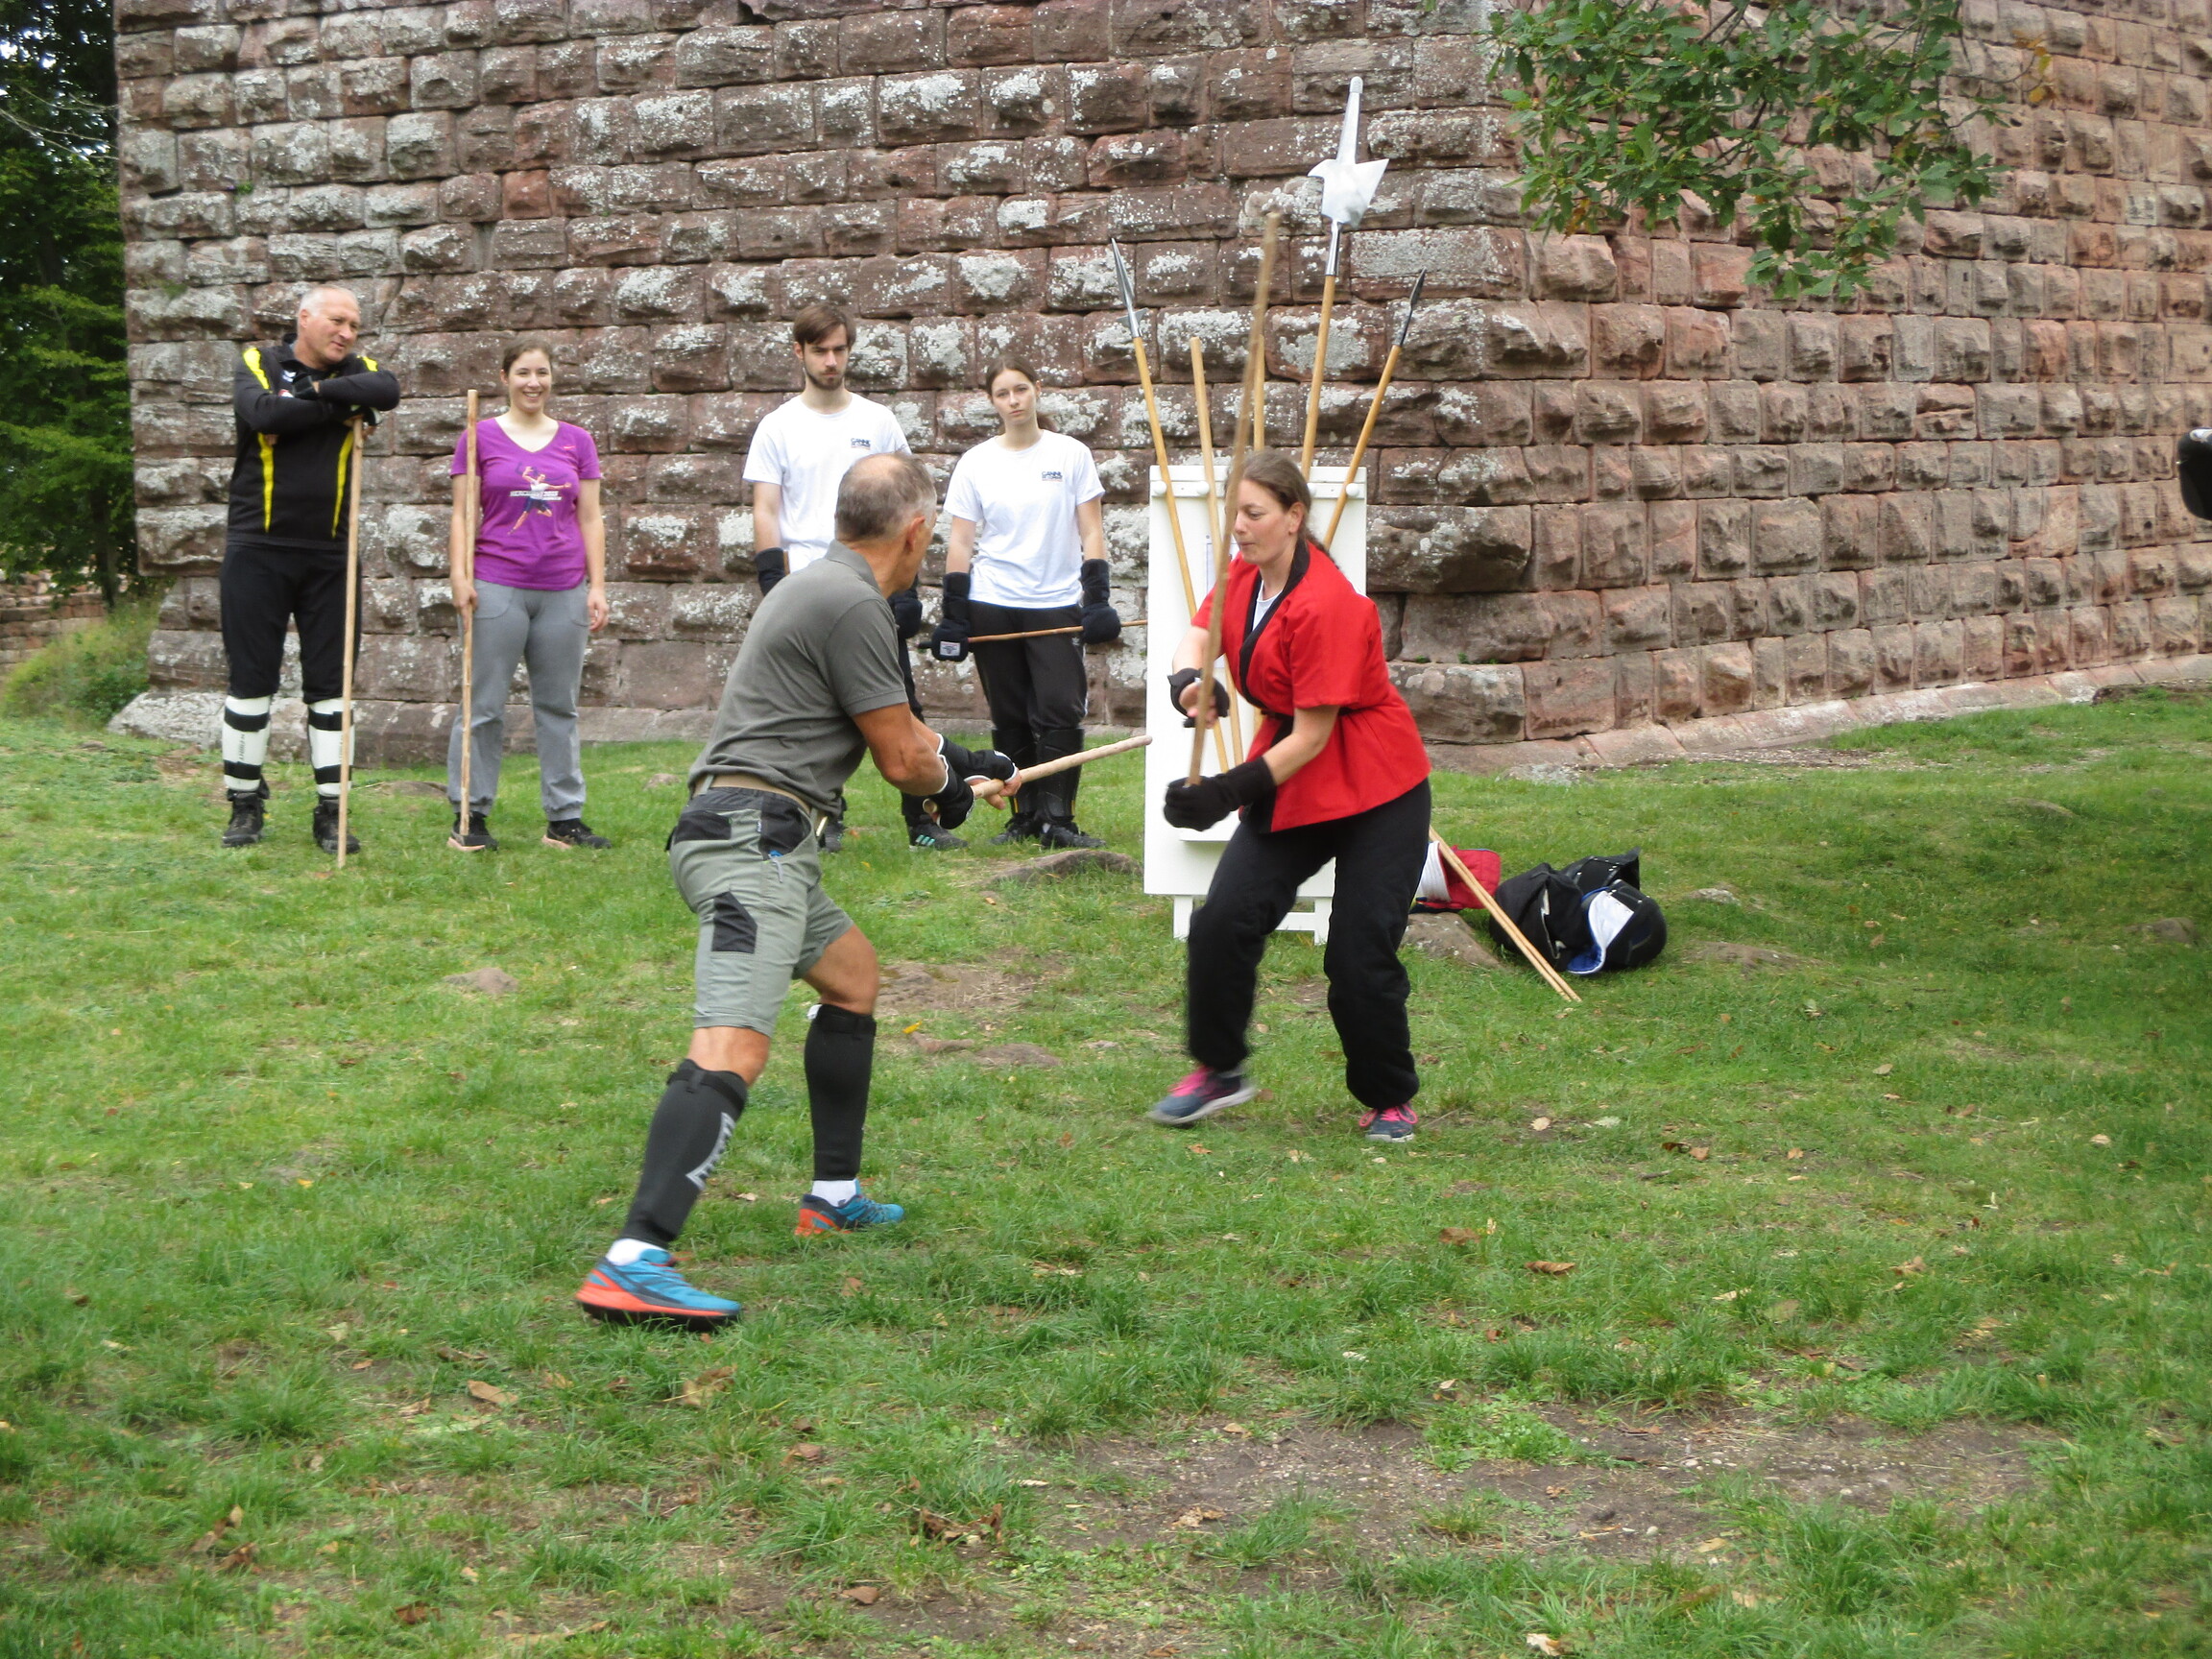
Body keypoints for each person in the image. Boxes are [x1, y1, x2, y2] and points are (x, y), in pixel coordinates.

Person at [574, 453, 1017, 1330]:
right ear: (916, 533)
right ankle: (634, 1259)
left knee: (852, 978)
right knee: (731, 1044)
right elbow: (902, 761)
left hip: (762, 836)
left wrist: (965, 760)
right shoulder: (854, 604)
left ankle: (834, 1196)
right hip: (754, 844)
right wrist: (949, 790)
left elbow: (896, 726)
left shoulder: (823, 586)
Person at [1148, 451, 1433, 1142]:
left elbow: (1312, 736)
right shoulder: (1244, 575)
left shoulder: (1327, 604)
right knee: (1223, 923)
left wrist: (1223, 793)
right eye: (1234, 513)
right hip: (1295, 780)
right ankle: (1219, 1070)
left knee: (1358, 954)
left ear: (1294, 517)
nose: (1239, 527)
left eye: (1254, 514)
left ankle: (1389, 1098)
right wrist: (1190, 682)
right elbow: (1200, 631)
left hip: (1377, 785)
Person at [743, 304, 952, 852]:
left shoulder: (877, 422)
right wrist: (774, 582)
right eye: (820, 351)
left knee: (900, 701)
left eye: (839, 349)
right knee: (808, 714)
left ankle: (924, 821)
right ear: (799, 352)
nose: (831, 361)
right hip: (808, 589)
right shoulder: (778, 426)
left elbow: (909, 500)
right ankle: (818, 818)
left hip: (872, 588)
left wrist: (906, 591)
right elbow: (767, 509)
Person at [217, 284, 401, 853]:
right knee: (252, 682)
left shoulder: (359, 369)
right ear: (304, 317)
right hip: (257, 546)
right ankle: (244, 804)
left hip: (331, 553)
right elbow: (263, 412)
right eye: (337, 321)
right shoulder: (260, 361)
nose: (347, 333)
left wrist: (313, 394)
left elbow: (387, 391)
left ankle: (331, 812)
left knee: (332, 687)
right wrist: (341, 407)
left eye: (355, 325)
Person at [928, 355, 1120, 848]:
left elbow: (1091, 530)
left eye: (1020, 389)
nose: (1013, 401)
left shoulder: (1071, 454)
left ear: (1037, 389)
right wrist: (954, 615)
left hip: (1055, 602)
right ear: (991, 401)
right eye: (1002, 394)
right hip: (993, 602)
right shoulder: (976, 462)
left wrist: (1097, 599)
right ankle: (1024, 816)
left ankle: (1058, 820)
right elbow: (961, 542)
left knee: (1059, 711)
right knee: (1010, 715)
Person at [445, 339, 612, 853]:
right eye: (523, 372)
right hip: (496, 585)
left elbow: (590, 518)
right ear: (505, 377)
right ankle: (470, 814)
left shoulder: (577, 441)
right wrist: (459, 576)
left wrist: (598, 586)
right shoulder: (478, 437)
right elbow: (462, 514)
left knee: (559, 707)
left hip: (563, 588)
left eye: (541, 372)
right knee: (483, 706)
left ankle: (564, 819)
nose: (533, 382)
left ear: (552, 377)